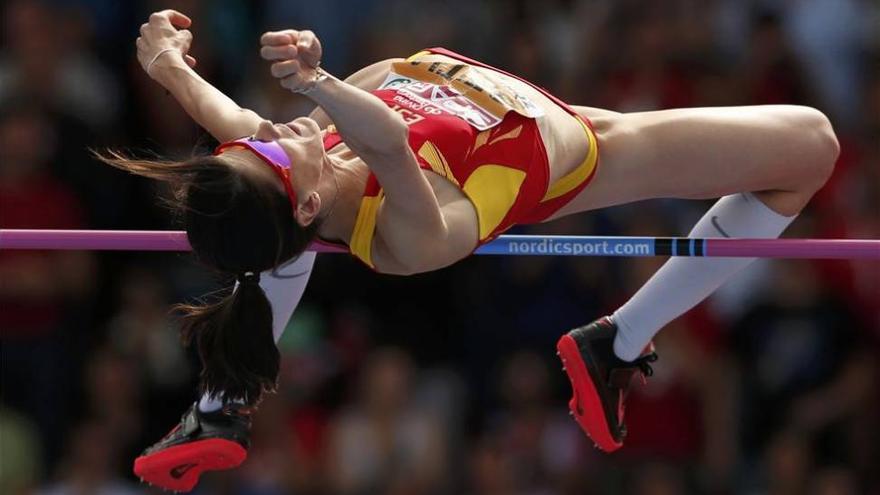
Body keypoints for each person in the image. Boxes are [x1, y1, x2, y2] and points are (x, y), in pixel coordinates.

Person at [110, 10, 839, 492]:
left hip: (537, 109)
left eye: (261, 138)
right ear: (302, 201)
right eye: (271, 152)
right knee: (811, 147)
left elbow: (238, 125)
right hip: (604, 149)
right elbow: (391, 147)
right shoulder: (404, 232)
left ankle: (220, 405)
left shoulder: (309, 160)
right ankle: (620, 338)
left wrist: (170, 66)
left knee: (272, 227)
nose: (275, 131)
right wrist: (319, 81)